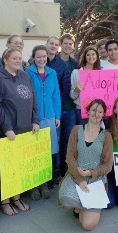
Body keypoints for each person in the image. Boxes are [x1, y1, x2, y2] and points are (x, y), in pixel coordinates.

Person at [0, 48, 39, 216]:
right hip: (8, 132)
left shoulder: (24, 75)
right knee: (6, 167)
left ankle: (16, 198)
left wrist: (35, 120)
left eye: (19, 58)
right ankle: (5, 201)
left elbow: (33, 98)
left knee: (19, 167)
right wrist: (7, 128)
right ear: (5, 60)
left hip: (25, 129)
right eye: (14, 58)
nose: (18, 60)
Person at [59, 99, 113, 231]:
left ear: (103, 115)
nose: (96, 114)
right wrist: (80, 179)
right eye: (94, 110)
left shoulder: (106, 136)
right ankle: (81, 206)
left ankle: (83, 207)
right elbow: (70, 156)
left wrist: (91, 173)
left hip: (96, 179)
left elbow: (107, 165)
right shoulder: (76, 130)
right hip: (76, 175)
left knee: (87, 225)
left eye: (100, 111)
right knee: (66, 202)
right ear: (87, 111)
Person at [26, 45, 61, 200]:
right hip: (34, 119)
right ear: (34, 57)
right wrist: (32, 118)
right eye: (38, 56)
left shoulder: (52, 73)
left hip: (50, 118)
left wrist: (57, 116)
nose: (41, 59)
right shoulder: (27, 73)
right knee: (34, 153)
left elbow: (56, 96)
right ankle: (34, 185)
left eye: (44, 56)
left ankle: (45, 183)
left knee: (46, 153)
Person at [46, 35, 71, 186]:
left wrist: (56, 106)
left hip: (56, 110)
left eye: (56, 44)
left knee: (56, 141)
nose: (53, 46)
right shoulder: (35, 61)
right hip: (40, 112)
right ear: (46, 44)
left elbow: (65, 87)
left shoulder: (62, 65)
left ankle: (55, 171)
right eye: (51, 43)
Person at [58, 34, 78, 175]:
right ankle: (56, 170)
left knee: (69, 140)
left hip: (70, 108)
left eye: (70, 44)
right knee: (56, 141)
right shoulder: (52, 61)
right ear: (61, 44)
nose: (68, 46)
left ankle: (66, 168)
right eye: (65, 43)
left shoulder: (75, 64)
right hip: (56, 108)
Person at [70, 46, 101, 125]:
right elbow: (72, 96)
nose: (91, 57)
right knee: (82, 136)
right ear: (84, 57)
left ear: (97, 56)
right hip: (81, 110)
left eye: (93, 54)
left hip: (98, 110)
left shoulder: (101, 73)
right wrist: (77, 91)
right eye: (88, 55)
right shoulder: (76, 72)